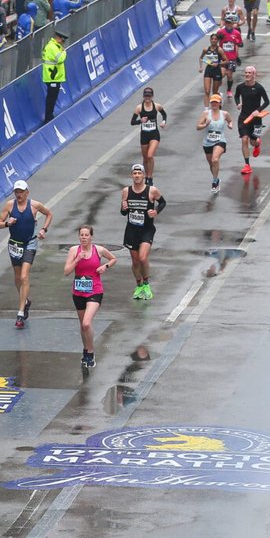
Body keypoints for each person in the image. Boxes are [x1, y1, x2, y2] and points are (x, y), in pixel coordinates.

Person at [0, 180, 52, 329]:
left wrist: (43, 230)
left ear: (27, 192)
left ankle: (20, 313)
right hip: (14, 244)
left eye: (21, 192)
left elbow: (49, 214)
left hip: (30, 243)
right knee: (17, 277)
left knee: (24, 276)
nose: (19, 194)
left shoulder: (35, 205)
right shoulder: (9, 205)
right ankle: (25, 301)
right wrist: (8, 223)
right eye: (16, 192)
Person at [64, 225, 118, 369]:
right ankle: (86, 350)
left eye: (86, 235)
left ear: (91, 237)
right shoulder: (74, 251)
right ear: (79, 237)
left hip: (95, 291)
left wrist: (105, 267)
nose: (84, 238)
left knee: (87, 323)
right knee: (83, 326)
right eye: (81, 235)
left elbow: (113, 258)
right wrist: (76, 260)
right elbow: (66, 272)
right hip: (78, 292)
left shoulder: (98, 250)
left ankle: (91, 352)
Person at [119, 165, 165, 302]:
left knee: (143, 258)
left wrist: (156, 211)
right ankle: (138, 285)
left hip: (147, 229)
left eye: (139, 173)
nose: (137, 175)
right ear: (131, 176)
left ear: (144, 176)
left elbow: (163, 202)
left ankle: (146, 284)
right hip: (131, 230)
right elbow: (123, 212)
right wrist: (123, 207)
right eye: (135, 173)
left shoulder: (152, 191)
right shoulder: (126, 191)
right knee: (135, 261)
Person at [233, 65, 270, 178]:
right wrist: (238, 103)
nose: (247, 75)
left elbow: (267, 102)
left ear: (254, 74)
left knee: (253, 142)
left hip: (256, 119)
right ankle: (247, 165)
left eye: (249, 73)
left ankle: (257, 144)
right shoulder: (240, 87)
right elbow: (236, 96)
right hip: (244, 118)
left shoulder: (259, 88)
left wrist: (257, 111)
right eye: (246, 73)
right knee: (244, 139)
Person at [131, 87, 166, 182]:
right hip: (144, 135)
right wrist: (140, 121)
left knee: (150, 155)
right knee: (145, 158)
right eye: (146, 96)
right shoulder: (139, 108)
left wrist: (163, 121)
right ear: (143, 96)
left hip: (154, 134)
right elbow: (132, 122)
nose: (147, 98)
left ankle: (150, 177)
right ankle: (145, 176)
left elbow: (164, 114)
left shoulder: (156, 106)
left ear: (152, 96)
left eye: (149, 96)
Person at [198, 94, 231, 194]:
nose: (214, 104)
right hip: (207, 142)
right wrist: (205, 124)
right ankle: (216, 179)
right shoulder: (205, 114)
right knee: (212, 164)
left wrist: (230, 125)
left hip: (220, 141)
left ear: (220, 103)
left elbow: (230, 120)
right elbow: (198, 127)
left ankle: (214, 183)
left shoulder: (224, 114)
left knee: (215, 159)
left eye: (216, 102)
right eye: (212, 102)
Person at [41, 28, 67, 122]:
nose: (63, 43)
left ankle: (50, 115)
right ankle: (48, 117)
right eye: (62, 40)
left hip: (54, 76)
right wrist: (64, 52)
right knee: (51, 98)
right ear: (58, 38)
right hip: (52, 76)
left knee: (53, 97)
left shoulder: (55, 46)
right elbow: (60, 58)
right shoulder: (52, 47)